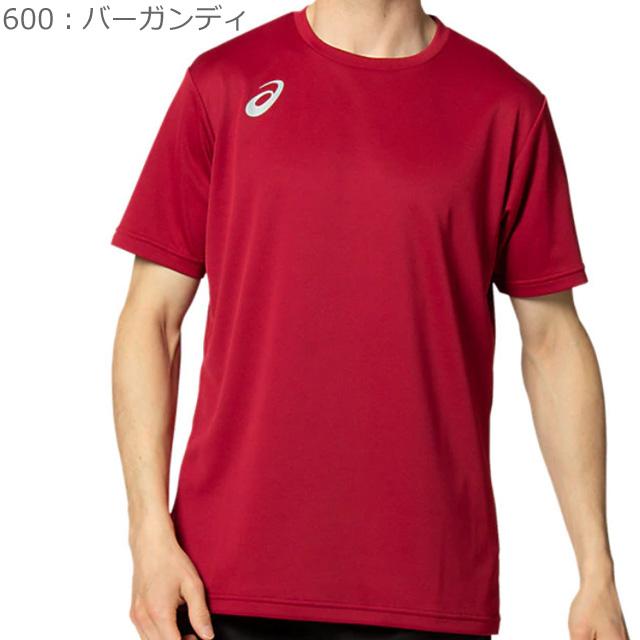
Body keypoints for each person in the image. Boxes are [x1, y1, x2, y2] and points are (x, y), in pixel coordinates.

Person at [111, 2, 629, 639]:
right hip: (223, 581)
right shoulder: (223, 82)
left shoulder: (506, 106)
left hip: (430, 586)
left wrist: (596, 570)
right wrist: (147, 534)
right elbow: (152, 319)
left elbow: (552, 341)